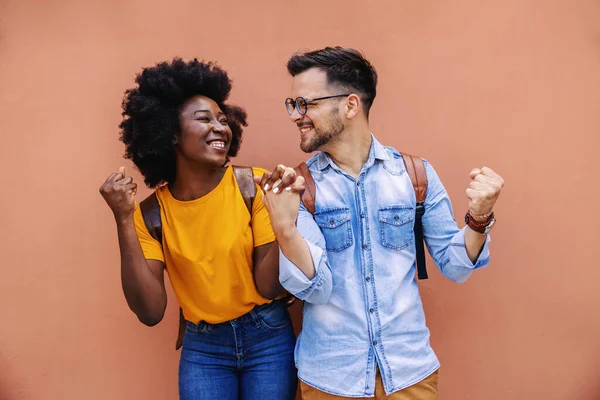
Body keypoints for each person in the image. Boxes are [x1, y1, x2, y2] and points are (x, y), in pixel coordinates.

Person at [256, 46, 504, 399]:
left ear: (351, 105)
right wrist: (284, 228)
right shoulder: (299, 187)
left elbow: (456, 266)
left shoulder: (415, 175)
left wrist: (480, 217)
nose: (297, 115)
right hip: (331, 380)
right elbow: (317, 289)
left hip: (410, 376)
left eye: (306, 103)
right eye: (293, 104)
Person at [98, 58, 300, 400]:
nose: (220, 127)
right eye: (204, 119)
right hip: (204, 347)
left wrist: (284, 217)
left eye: (223, 120)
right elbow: (150, 312)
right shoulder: (150, 214)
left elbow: (268, 287)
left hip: (267, 335)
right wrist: (122, 218)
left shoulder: (253, 187)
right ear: (171, 134)